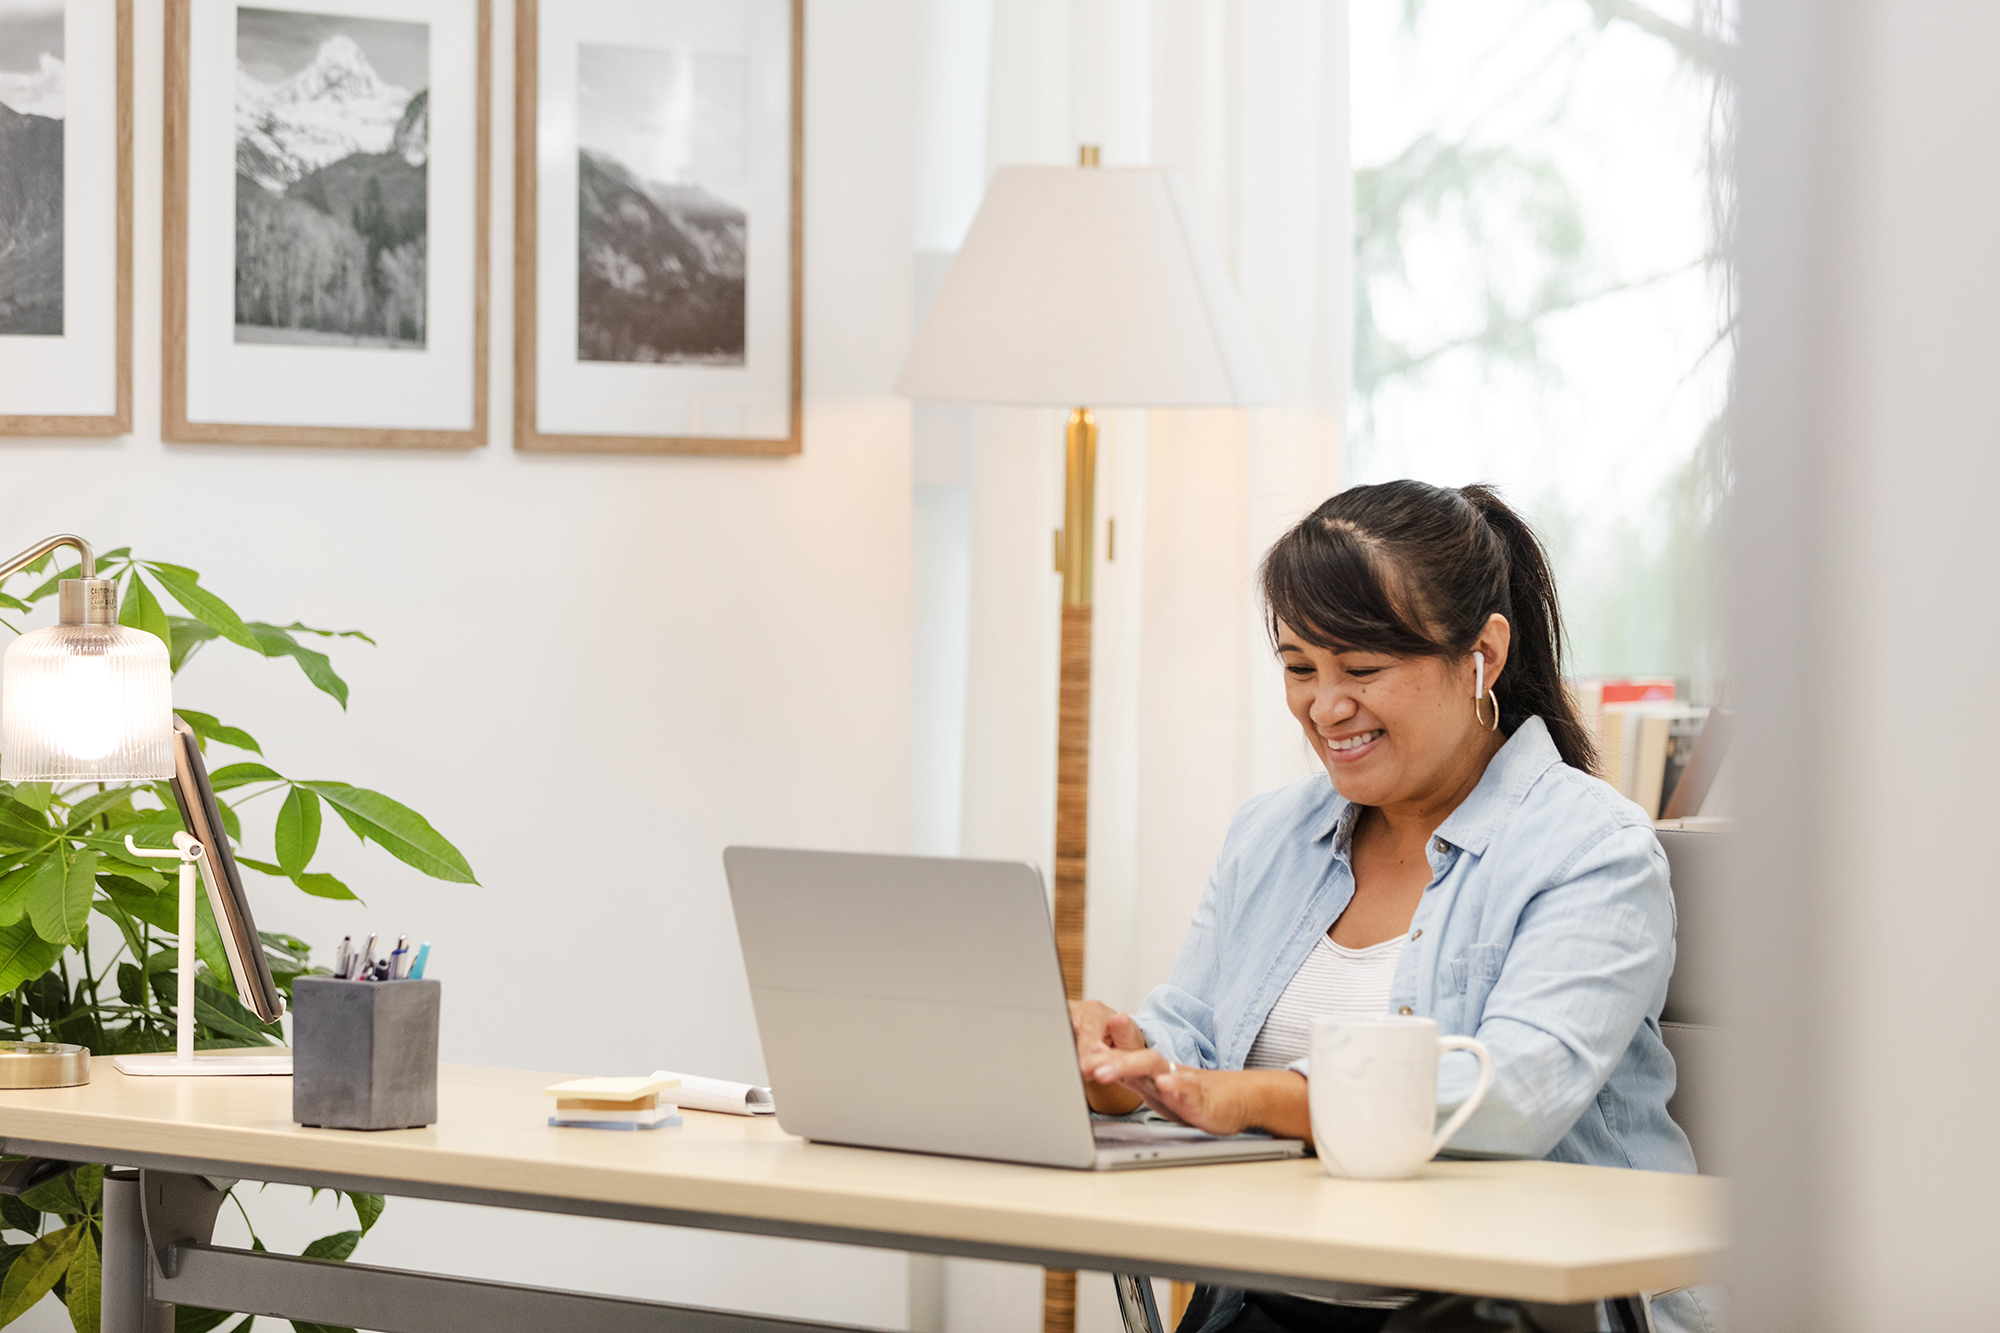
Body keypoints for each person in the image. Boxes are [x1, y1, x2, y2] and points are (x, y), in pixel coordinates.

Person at [1069, 481, 1717, 1333]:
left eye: (1363, 669)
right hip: (1275, 1300)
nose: (1325, 706)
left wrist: (1260, 1098)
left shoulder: (1592, 849)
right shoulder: (1271, 834)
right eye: (1299, 667)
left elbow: (1514, 1095)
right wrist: (1128, 1067)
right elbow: (1192, 1041)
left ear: (1482, 654)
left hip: (1505, 1311)